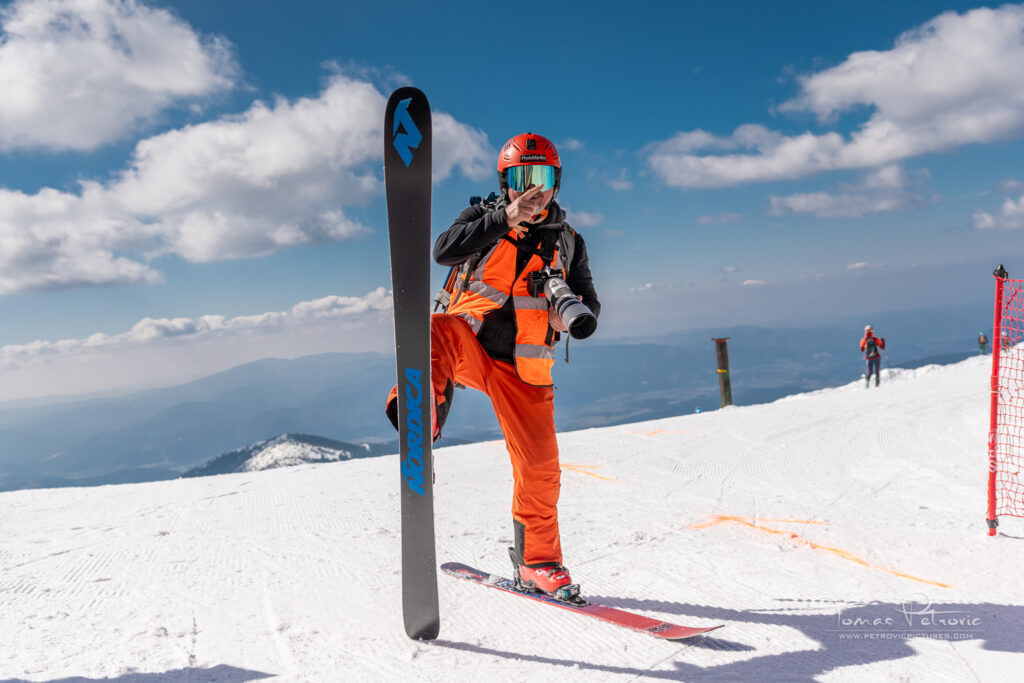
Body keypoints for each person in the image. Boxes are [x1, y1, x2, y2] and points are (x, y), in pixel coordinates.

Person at [386, 133, 600, 601]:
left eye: (542, 177)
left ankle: (537, 564)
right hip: (468, 346)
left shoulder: (569, 241)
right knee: (433, 328)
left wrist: (567, 314)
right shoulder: (481, 219)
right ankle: (419, 417)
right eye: (522, 178)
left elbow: (590, 303)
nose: (533, 189)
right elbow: (443, 251)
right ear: (505, 183)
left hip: (525, 368)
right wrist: (505, 218)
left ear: (557, 182)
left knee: (540, 468)